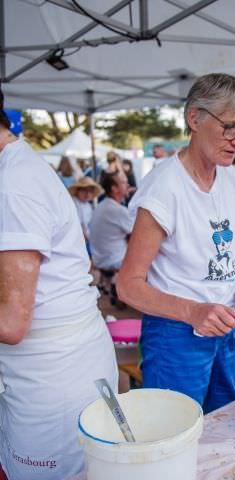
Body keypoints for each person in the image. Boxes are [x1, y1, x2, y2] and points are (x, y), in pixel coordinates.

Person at [117, 73, 235, 413]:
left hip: (224, 323)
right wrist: (193, 311)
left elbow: (233, 241)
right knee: (178, 431)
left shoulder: (231, 177)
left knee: (222, 421)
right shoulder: (164, 189)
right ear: (194, 119)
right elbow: (127, 286)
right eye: (229, 127)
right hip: (176, 333)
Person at [0, 92, 117, 480]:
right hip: (57, 363)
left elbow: (12, 322)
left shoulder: (13, 185)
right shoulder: (19, 167)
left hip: (51, 374)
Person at [89, 172, 133, 271]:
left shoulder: (102, 205)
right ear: (114, 188)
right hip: (114, 261)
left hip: (100, 259)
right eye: (124, 183)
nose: (128, 185)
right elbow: (136, 237)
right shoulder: (117, 210)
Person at [68, 176, 103, 248]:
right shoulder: (74, 202)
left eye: (90, 191)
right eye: (84, 190)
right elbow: (79, 225)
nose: (87, 194)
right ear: (78, 191)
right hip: (76, 240)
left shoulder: (88, 206)